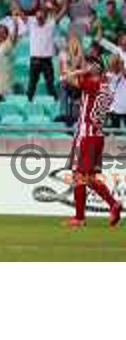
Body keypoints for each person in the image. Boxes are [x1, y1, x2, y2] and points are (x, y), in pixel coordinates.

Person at [64, 55, 121, 227]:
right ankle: (112, 205)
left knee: (79, 176)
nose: (84, 67)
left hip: (86, 134)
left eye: (87, 64)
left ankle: (81, 217)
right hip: (97, 135)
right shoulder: (105, 84)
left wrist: (83, 70)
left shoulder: (92, 82)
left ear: (94, 67)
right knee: (87, 178)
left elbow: (68, 77)